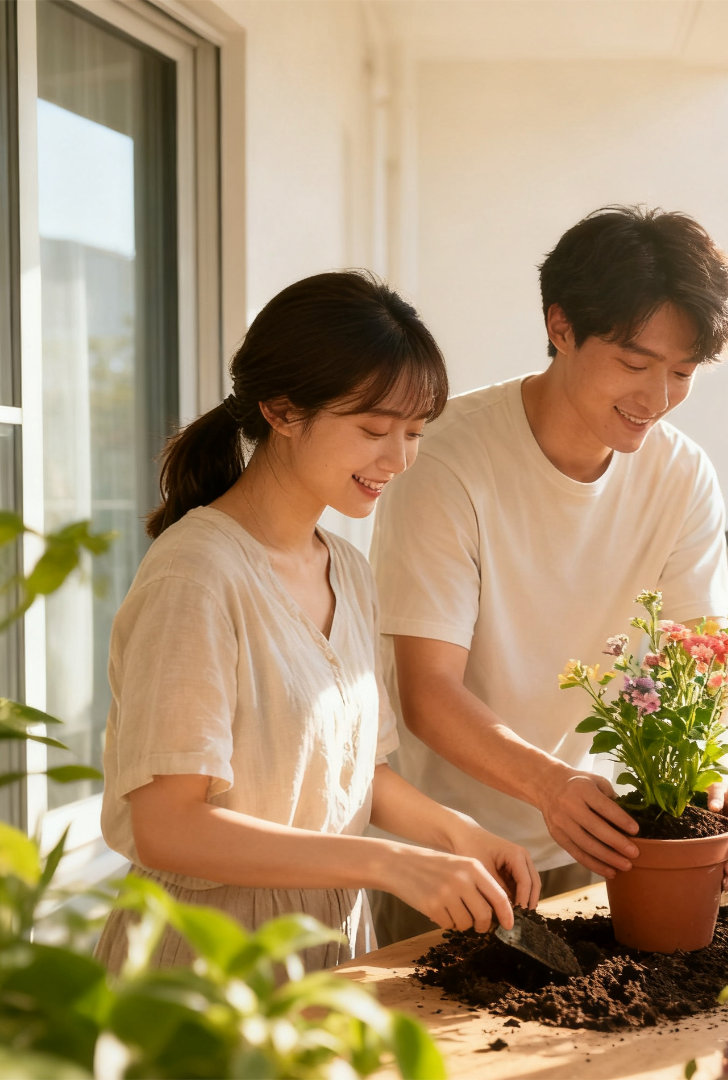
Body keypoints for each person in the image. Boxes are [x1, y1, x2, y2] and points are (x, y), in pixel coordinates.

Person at [95, 270, 538, 975]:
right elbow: (167, 827)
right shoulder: (198, 575)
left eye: (415, 433)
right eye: (372, 430)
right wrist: (391, 863)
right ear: (282, 410)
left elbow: (358, 773)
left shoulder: (348, 571)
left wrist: (458, 834)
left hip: (327, 953)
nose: (397, 460)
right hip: (208, 963)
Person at [369, 206, 728, 942]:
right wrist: (550, 785)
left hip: (604, 845)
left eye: (682, 373)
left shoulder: (681, 476)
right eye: (635, 363)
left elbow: (715, 664)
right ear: (561, 327)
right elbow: (426, 692)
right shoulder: (448, 459)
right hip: (453, 853)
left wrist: (726, 774)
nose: (657, 399)